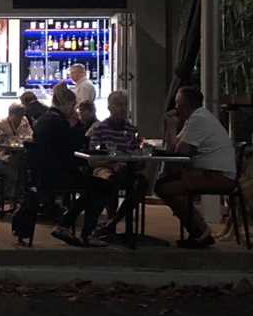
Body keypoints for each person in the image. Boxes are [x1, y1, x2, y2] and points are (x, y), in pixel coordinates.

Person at [156, 86, 237, 249]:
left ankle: (200, 231)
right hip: (206, 172)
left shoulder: (198, 119)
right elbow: (173, 149)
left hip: (219, 176)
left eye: (178, 104)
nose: (175, 108)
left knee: (165, 187)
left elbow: (180, 153)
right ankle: (198, 230)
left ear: (186, 105)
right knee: (162, 183)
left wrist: (171, 127)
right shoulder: (193, 119)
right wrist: (170, 128)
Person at [84, 91, 143, 240]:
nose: (122, 109)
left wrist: (139, 156)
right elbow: (93, 159)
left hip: (126, 169)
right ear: (110, 107)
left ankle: (112, 222)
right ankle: (110, 223)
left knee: (141, 183)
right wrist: (111, 164)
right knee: (110, 179)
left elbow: (137, 155)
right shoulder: (100, 129)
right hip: (104, 168)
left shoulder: (131, 130)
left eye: (125, 105)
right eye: (118, 105)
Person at [31, 84, 87, 225]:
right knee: (98, 185)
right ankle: (72, 221)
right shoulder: (59, 123)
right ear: (67, 104)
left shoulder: (42, 121)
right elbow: (73, 147)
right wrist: (78, 126)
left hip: (41, 173)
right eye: (73, 105)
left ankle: (63, 212)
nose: (74, 109)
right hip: (59, 174)